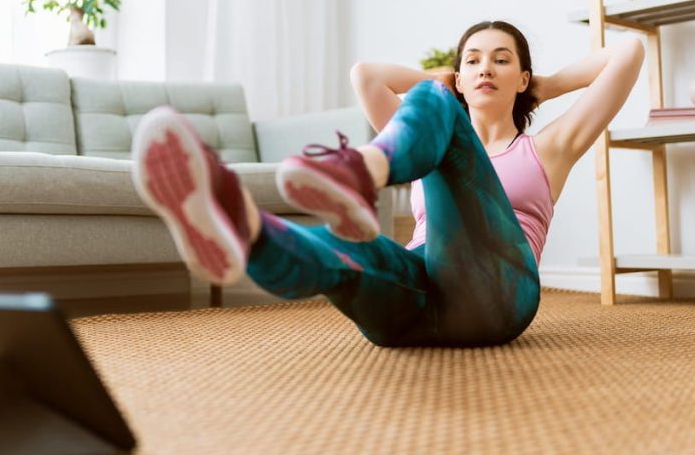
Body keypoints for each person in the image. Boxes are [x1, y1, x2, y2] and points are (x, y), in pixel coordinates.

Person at [130, 20, 644, 347]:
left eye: (501, 59)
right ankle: (244, 231)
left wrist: (546, 84)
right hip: (415, 300)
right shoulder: (435, 116)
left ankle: (358, 174)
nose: (485, 67)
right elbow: (365, 75)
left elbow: (628, 52)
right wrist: (449, 79)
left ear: (522, 78)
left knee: (437, 113)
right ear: (460, 78)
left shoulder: (550, 146)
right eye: (473, 60)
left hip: (498, 296)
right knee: (348, 257)